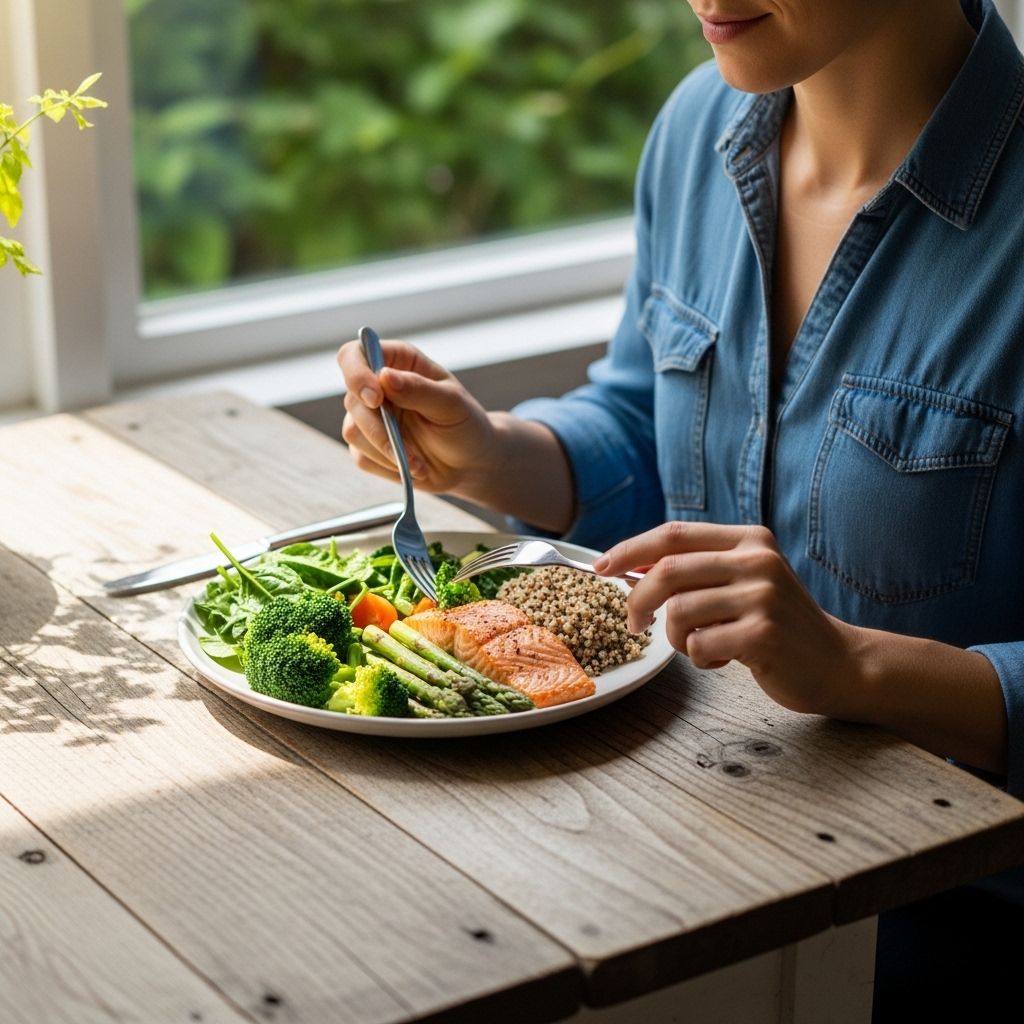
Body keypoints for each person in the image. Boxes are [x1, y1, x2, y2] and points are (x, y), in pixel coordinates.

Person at [339, 1, 1023, 1015]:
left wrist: (856, 667)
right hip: (689, 859)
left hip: (945, 939)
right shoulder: (696, 130)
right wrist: (488, 455)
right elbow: (644, 413)